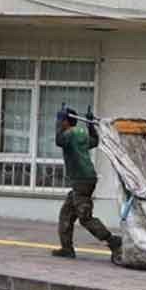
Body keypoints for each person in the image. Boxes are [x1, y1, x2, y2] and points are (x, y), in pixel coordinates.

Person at [52, 107, 122, 261]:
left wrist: (58, 122)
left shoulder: (69, 134)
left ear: (65, 121)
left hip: (81, 181)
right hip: (85, 179)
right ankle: (67, 248)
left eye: (61, 120)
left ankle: (114, 242)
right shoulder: (80, 134)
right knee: (66, 215)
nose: (59, 123)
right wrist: (90, 126)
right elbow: (95, 141)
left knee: (85, 218)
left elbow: (59, 141)